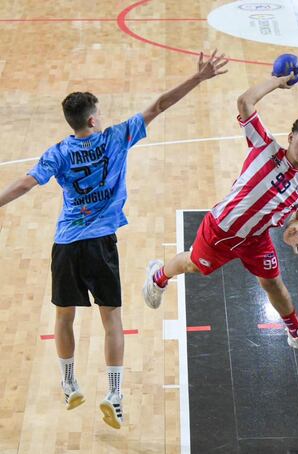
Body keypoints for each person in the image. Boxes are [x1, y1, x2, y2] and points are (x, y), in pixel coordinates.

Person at [0, 51, 229, 429]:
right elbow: (159, 105)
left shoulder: (58, 152)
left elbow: (25, 183)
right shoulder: (115, 138)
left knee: (64, 316)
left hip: (67, 243)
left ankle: (70, 383)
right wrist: (198, 78)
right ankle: (115, 393)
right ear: (93, 119)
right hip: (102, 244)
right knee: (113, 322)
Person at [142, 73, 298, 357]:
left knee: (272, 282)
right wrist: (277, 82)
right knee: (195, 265)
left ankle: (295, 333)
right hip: (221, 230)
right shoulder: (264, 146)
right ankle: (158, 276)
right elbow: (245, 101)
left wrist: (296, 225)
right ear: (291, 137)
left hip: (256, 239)